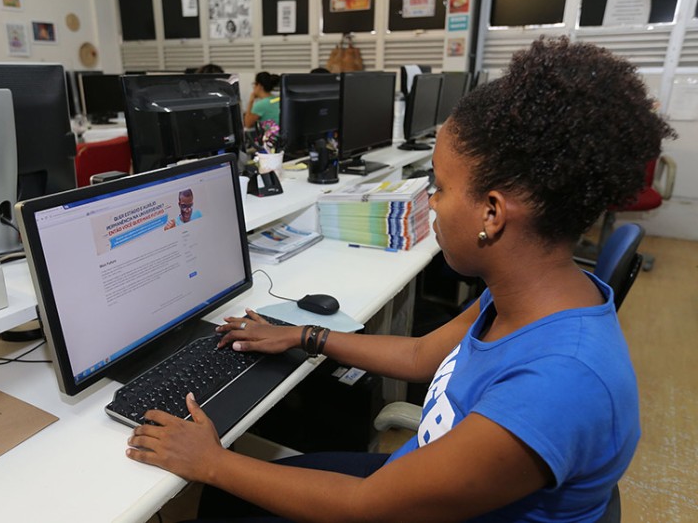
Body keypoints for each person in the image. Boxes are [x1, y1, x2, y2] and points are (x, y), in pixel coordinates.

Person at [127, 37, 675, 522]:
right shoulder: (529, 295)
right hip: (413, 475)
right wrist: (302, 336)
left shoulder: (560, 384)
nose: (429, 203)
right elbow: (420, 358)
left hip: (387, 500)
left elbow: (366, 507)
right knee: (230, 502)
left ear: (492, 213)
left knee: (223, 498)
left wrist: (213, 462)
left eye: (438, 187)